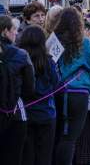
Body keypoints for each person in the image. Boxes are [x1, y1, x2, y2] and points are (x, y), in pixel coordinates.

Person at [53, 7, 90, 165]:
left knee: (61, 134)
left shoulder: (53, 40)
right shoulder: (83, 42)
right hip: (78, 93)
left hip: (58, 92)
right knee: (70, 138)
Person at [18, 26, 60, 165]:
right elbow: (56, 83)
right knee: (45, 156)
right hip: (46, 113)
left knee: (27, 156)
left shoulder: (20, 61)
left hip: (26, 113)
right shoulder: (49, 61)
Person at [0, 15, 35, 164]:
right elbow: (30, 87)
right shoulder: (21, 55)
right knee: (14, 156)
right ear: (5, 32)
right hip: (15, 113)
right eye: (14, 29)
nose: (16, 33)